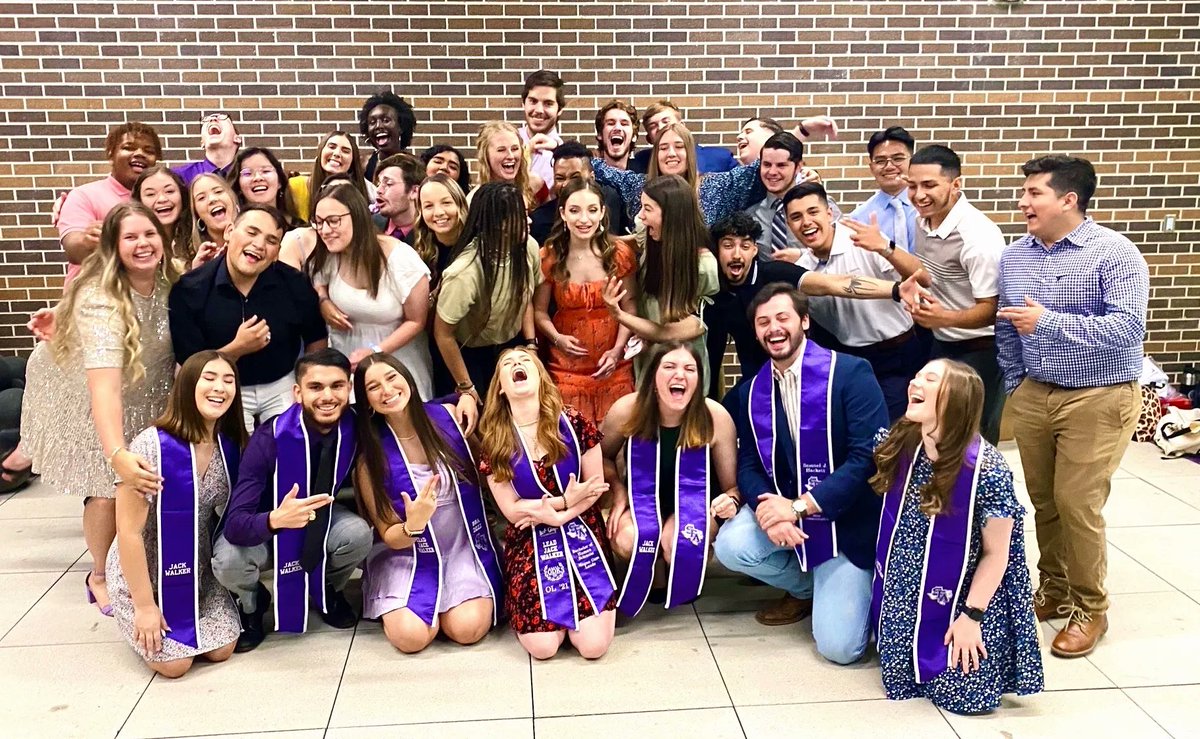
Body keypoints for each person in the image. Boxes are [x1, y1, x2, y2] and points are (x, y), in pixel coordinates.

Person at [996, 155, 1148, 658]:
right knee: (1044, 502)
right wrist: (1016, 383)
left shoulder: (1115, 254)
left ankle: (1091, 607)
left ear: (1068, 200)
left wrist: (1048, 322)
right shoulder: (1015, 254)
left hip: (1100, 394)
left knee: (1077, 504)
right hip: (1036, 392)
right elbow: (1006, 324)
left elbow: (1128, 330)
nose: (1023, 202)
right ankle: (1055, 588)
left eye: (1034, 193)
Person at [713, 284, 888, 665]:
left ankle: (848, 584)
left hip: (845, 523)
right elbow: (749, 464)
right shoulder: (750, 393)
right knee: (732, 545)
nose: (773, 328)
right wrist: (765, 509)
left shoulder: (851, 374)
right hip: (786, 513)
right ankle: (808, 587)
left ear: (804, 321)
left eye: (782, 318)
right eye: (763, 322)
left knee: (839, 650)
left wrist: (799, 507)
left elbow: (867, 458)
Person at [22, 202, 179, 617]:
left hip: (149, 390)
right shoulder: (102, 297)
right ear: (113, 245)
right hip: (87, 394)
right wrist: (116, 453)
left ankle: (135, 560)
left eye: (149, 234)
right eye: (130, 237)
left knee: (143, 487)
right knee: (107, 487)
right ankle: (99, 575)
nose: (143, 244)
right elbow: (104, 389)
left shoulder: (171, 278)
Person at [870, 359, 1043, 714]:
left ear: (955, 400)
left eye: (929, 379)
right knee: (903, 676)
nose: (914, 383)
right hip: (904, 585)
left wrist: (971, 617)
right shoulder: (903, 442)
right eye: (916, 376)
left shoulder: (987, 470)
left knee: (967, 698)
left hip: (965, 591)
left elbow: (997, 554)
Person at [214, 349, 373, 652]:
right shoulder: (269, 438)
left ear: (349, 388)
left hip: (320, 518)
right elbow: (235, 525)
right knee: (229, 560)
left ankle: (327, 588)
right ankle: (251, 604)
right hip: (265, 524)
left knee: (357, 534)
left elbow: (416, 412)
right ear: (297, 392)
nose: (327, 396)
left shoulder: (356, 426)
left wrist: (463, 398)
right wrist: (276, 519)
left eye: (337, 386)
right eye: (316, 387)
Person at [107, 351, 248, 678]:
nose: (220, 388)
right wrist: (144, 606)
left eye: (229, 381)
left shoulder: (229, 446)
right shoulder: (149, 446)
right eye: (209, 378)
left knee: (222, 650)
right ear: (187, 385)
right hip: (144, 568)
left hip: (198, 569)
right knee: (174, 665)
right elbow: (127, 532)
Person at [352, 354, 499, 653]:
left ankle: (456, 598)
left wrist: (468, 394)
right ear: (366, 400)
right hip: (408, 554)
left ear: (409, 379)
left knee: (467, 629)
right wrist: (413, 524)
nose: (387, 389)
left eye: (392, 377)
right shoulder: (372, 459)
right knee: (411, 638)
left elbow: (491, 473)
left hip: (462, 544)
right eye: (373, 386)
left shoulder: (449, 417)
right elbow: (390, 534)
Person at [478, 347, 616, 660]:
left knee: (593, 647)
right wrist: (564, 501)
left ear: (541, 377)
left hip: (581, 527)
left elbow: (594, 489)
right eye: (508, 364)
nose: (517, 364)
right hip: (529, 537)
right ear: (501, 386)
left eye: (525, 361)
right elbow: (512, 509)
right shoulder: (496, 441)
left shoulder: (573, 423)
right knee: (543, 648)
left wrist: (559, 513)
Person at [601, 343, 741, 616]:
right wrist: (618, 493)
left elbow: (732, 486)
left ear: (699, 379)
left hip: (695, 507)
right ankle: (654, 570)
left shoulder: (715, 416)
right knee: (628, 539)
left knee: (679, 544)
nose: (680, 375)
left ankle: (681, 561)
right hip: (641, 503)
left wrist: (731, 501)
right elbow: (600, 458)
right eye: (669, 367)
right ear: (652, 376)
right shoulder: (627, 410)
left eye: (689, 369)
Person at [704, 212, 905, 398]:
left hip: (804, 376)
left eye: (745, 246)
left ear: (755, 250)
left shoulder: (775, 274)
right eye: (728, 246)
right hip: (757, 382)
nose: (737, 255)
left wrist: (897, 290)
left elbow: (835, 284)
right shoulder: (713, 293)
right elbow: (711, 355)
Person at [168, 206, 327, 429]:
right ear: (229, 231)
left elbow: (316, 337)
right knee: (233, 455)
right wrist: (237, 348)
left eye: (271, 241)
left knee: (290, 444)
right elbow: (190, 368)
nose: (259, 245)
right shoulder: (190, 289)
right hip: (222, 386)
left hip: (281, 382)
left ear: (277, 252)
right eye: (251, 233)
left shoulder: (295, 284)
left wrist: (306, 382)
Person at [783, 183, 926, 421]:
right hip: (850, 360)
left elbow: (922, 275)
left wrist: (885, 247)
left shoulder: (862, 241)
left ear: (829, 213)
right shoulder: (803, 271)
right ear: (789, 225)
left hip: (896, 353)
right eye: (796, 217)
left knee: (893, 433)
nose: (806, 222)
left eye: (813, 212)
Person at [895, 145, 1006, 443]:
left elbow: (991, 309)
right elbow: (929, 273)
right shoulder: (923, 219)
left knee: (972, 438)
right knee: (934, 432)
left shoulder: (978, 237)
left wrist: (942, 317)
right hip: (942, 341)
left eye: (929, 185)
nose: (919, 195)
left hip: (980, 348)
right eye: (912, 185)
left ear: (956, 185)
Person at [307, 184, 433, 396]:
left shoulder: (400, 258)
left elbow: (417, 321)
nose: (325, 230)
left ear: (357, 216)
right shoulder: (331, 253)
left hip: (396, 360)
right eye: (319, 223)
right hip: (349, 357)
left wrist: (375, 352)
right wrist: (323, 301)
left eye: (333, 221)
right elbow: (318, 277)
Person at [601, 175, 719, 394]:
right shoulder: (652, 243)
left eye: (647, 209)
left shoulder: (703, 266)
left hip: (682, 373)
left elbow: (670, 332)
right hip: (649, 362)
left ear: (671, 214)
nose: (641, 217)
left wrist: (619, 315)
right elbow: (626, 241)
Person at [534, 178, 637, 423]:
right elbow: (539, 312)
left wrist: (617, 351)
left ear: (602, 212)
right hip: (566, 368)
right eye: (574, 210)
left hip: (614, 366)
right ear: (563, 214)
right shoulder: (549, 255)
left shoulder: (620, 254)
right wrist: (557, 339)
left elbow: (630, 306)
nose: (584, 219)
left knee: (616, 443)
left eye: (592, 210)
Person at [434, 182, 541, 402]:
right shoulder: (464, 273)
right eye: (522, 215)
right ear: (501, 224)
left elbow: (526, 297)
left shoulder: (528, 246)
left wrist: (530, 344)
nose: (530, 220)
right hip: (470, 355)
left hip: (512, 346)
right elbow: (443, 334)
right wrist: (466, 386)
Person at [592, 122, 764, 226]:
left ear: (690, 152)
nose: (671, 153)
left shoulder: (715, 186)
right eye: (664, 148)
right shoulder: (639, 186)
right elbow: (597, 169)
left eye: (679, 147)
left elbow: (760, 169)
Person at [58, 121, 162, 279]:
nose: (140, 153)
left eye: (149, 150)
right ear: (110, 154)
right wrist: (87, 242)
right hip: (94, 299)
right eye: (129, 147)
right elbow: (73, 248)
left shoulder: (162, 201)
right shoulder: (84, 195)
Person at [529, 140, 630, 245]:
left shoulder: (612, 201)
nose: (567, 184)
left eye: (575, 177)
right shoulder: (539, 220)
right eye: (560, 178)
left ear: (592, 177)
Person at [848, 126, 918, 252]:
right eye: (880, 161)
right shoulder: (859, 218)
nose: (889, 166)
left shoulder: (928, 206)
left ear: (912, 161)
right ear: (871, 167)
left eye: (898, 159)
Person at [629, 101, 737, 174]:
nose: (661, 127)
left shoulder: (719, 158)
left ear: (683, 126)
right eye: (653, 126)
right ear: (649, 139)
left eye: (666, 121)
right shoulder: (642, 162)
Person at [288, 130, 370, 222]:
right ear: (320, 152)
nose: (337, 153)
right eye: (331, 147)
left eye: (345, 151)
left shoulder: (365, 190)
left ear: (352, 162)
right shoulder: (294, 186)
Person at [132, 164, 196, 270]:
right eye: (151, 194)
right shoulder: (135, 246)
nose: (162, 199)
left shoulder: (198, 239)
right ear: (139, 202)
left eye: (169, 191)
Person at [474, 121, 544, 209]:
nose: (511, 156)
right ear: (485, 156)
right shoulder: (475, 200)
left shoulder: (535, 184)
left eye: (515, 149)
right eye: (501, 150)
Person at [228, 147, 304, 229]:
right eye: (247, 173)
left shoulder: (300, 230)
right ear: (238, 186)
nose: (258, 178)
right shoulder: (232, 228)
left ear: (279, 182)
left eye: (266, 171)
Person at [517, 69, 566, 187]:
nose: (539, 110)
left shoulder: (567, 156)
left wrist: (558, 150)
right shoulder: (509, 141)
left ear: (559, 109)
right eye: (533, 101)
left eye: (548, 103)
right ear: (523, 103)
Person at [359, 91, 417, 183]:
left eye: (386, 120)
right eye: (372, 122)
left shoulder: (416, 165)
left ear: (401, 127)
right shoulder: (362, 164)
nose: (378, 126)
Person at [174, 111, 242, 185]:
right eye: (206, 119)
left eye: (221, 117)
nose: (212, 120)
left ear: (237, 138)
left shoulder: (247, 174)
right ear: (202, 143)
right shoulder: (179, 176)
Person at [372, 152, 423, 242]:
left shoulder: (429, 233)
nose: (379, 190)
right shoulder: (370, 225)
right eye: (378, 184)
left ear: (414, 191)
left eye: (388, 184)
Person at [189, 173, 239, 251]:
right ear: (196, 213)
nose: (212, 199)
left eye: (218, 191)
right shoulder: (186, 255)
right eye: (201, 198)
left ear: (232, 198)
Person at [593, 99, 638, 170]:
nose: (617, 128)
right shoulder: (588, 175)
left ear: (634, 135)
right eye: (611, 123)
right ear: (600, 134)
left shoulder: (645, 177)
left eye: (624, 124)